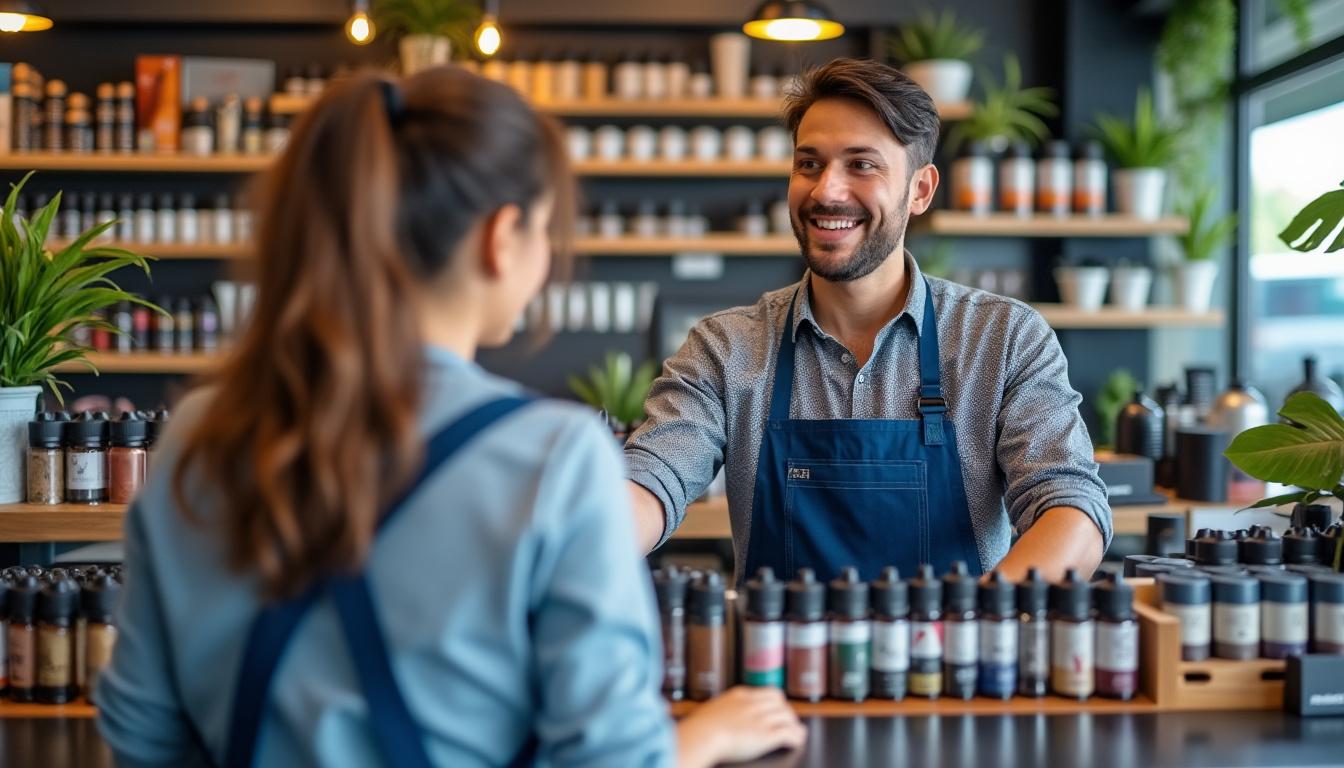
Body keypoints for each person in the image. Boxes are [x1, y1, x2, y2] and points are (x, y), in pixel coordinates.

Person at [96, 67, 804, 767]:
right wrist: (702, 739)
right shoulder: (554, 460)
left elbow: (142, 737)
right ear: (502, 238)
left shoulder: (200, 431)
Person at [625, 58, 1111, 585]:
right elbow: (652, 478)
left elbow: (1072, 509)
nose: (827, 191)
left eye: (862, 164)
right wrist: (586, 539)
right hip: (776, 662)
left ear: (920, 190)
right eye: (809, 164)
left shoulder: (1004, 340)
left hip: (951, 658)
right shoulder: (726, 348)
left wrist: (976, 614)